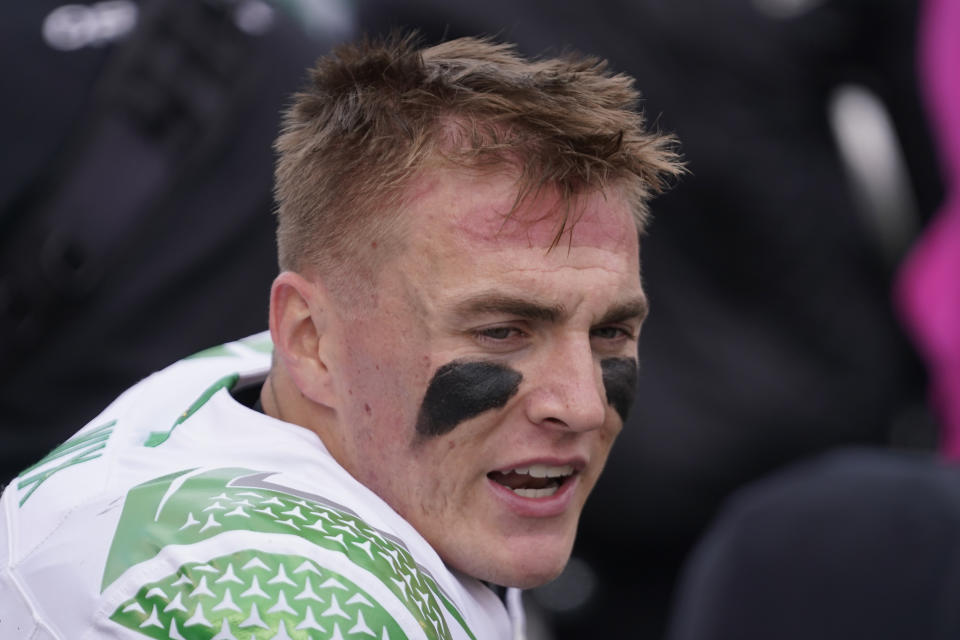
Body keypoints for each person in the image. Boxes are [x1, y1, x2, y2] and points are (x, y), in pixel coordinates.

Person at [0, 33, 681, 639]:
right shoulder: (269, 605)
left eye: (610, 332)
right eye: (502, 331)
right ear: (308, 340)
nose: (583, 405)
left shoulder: (276, 387)